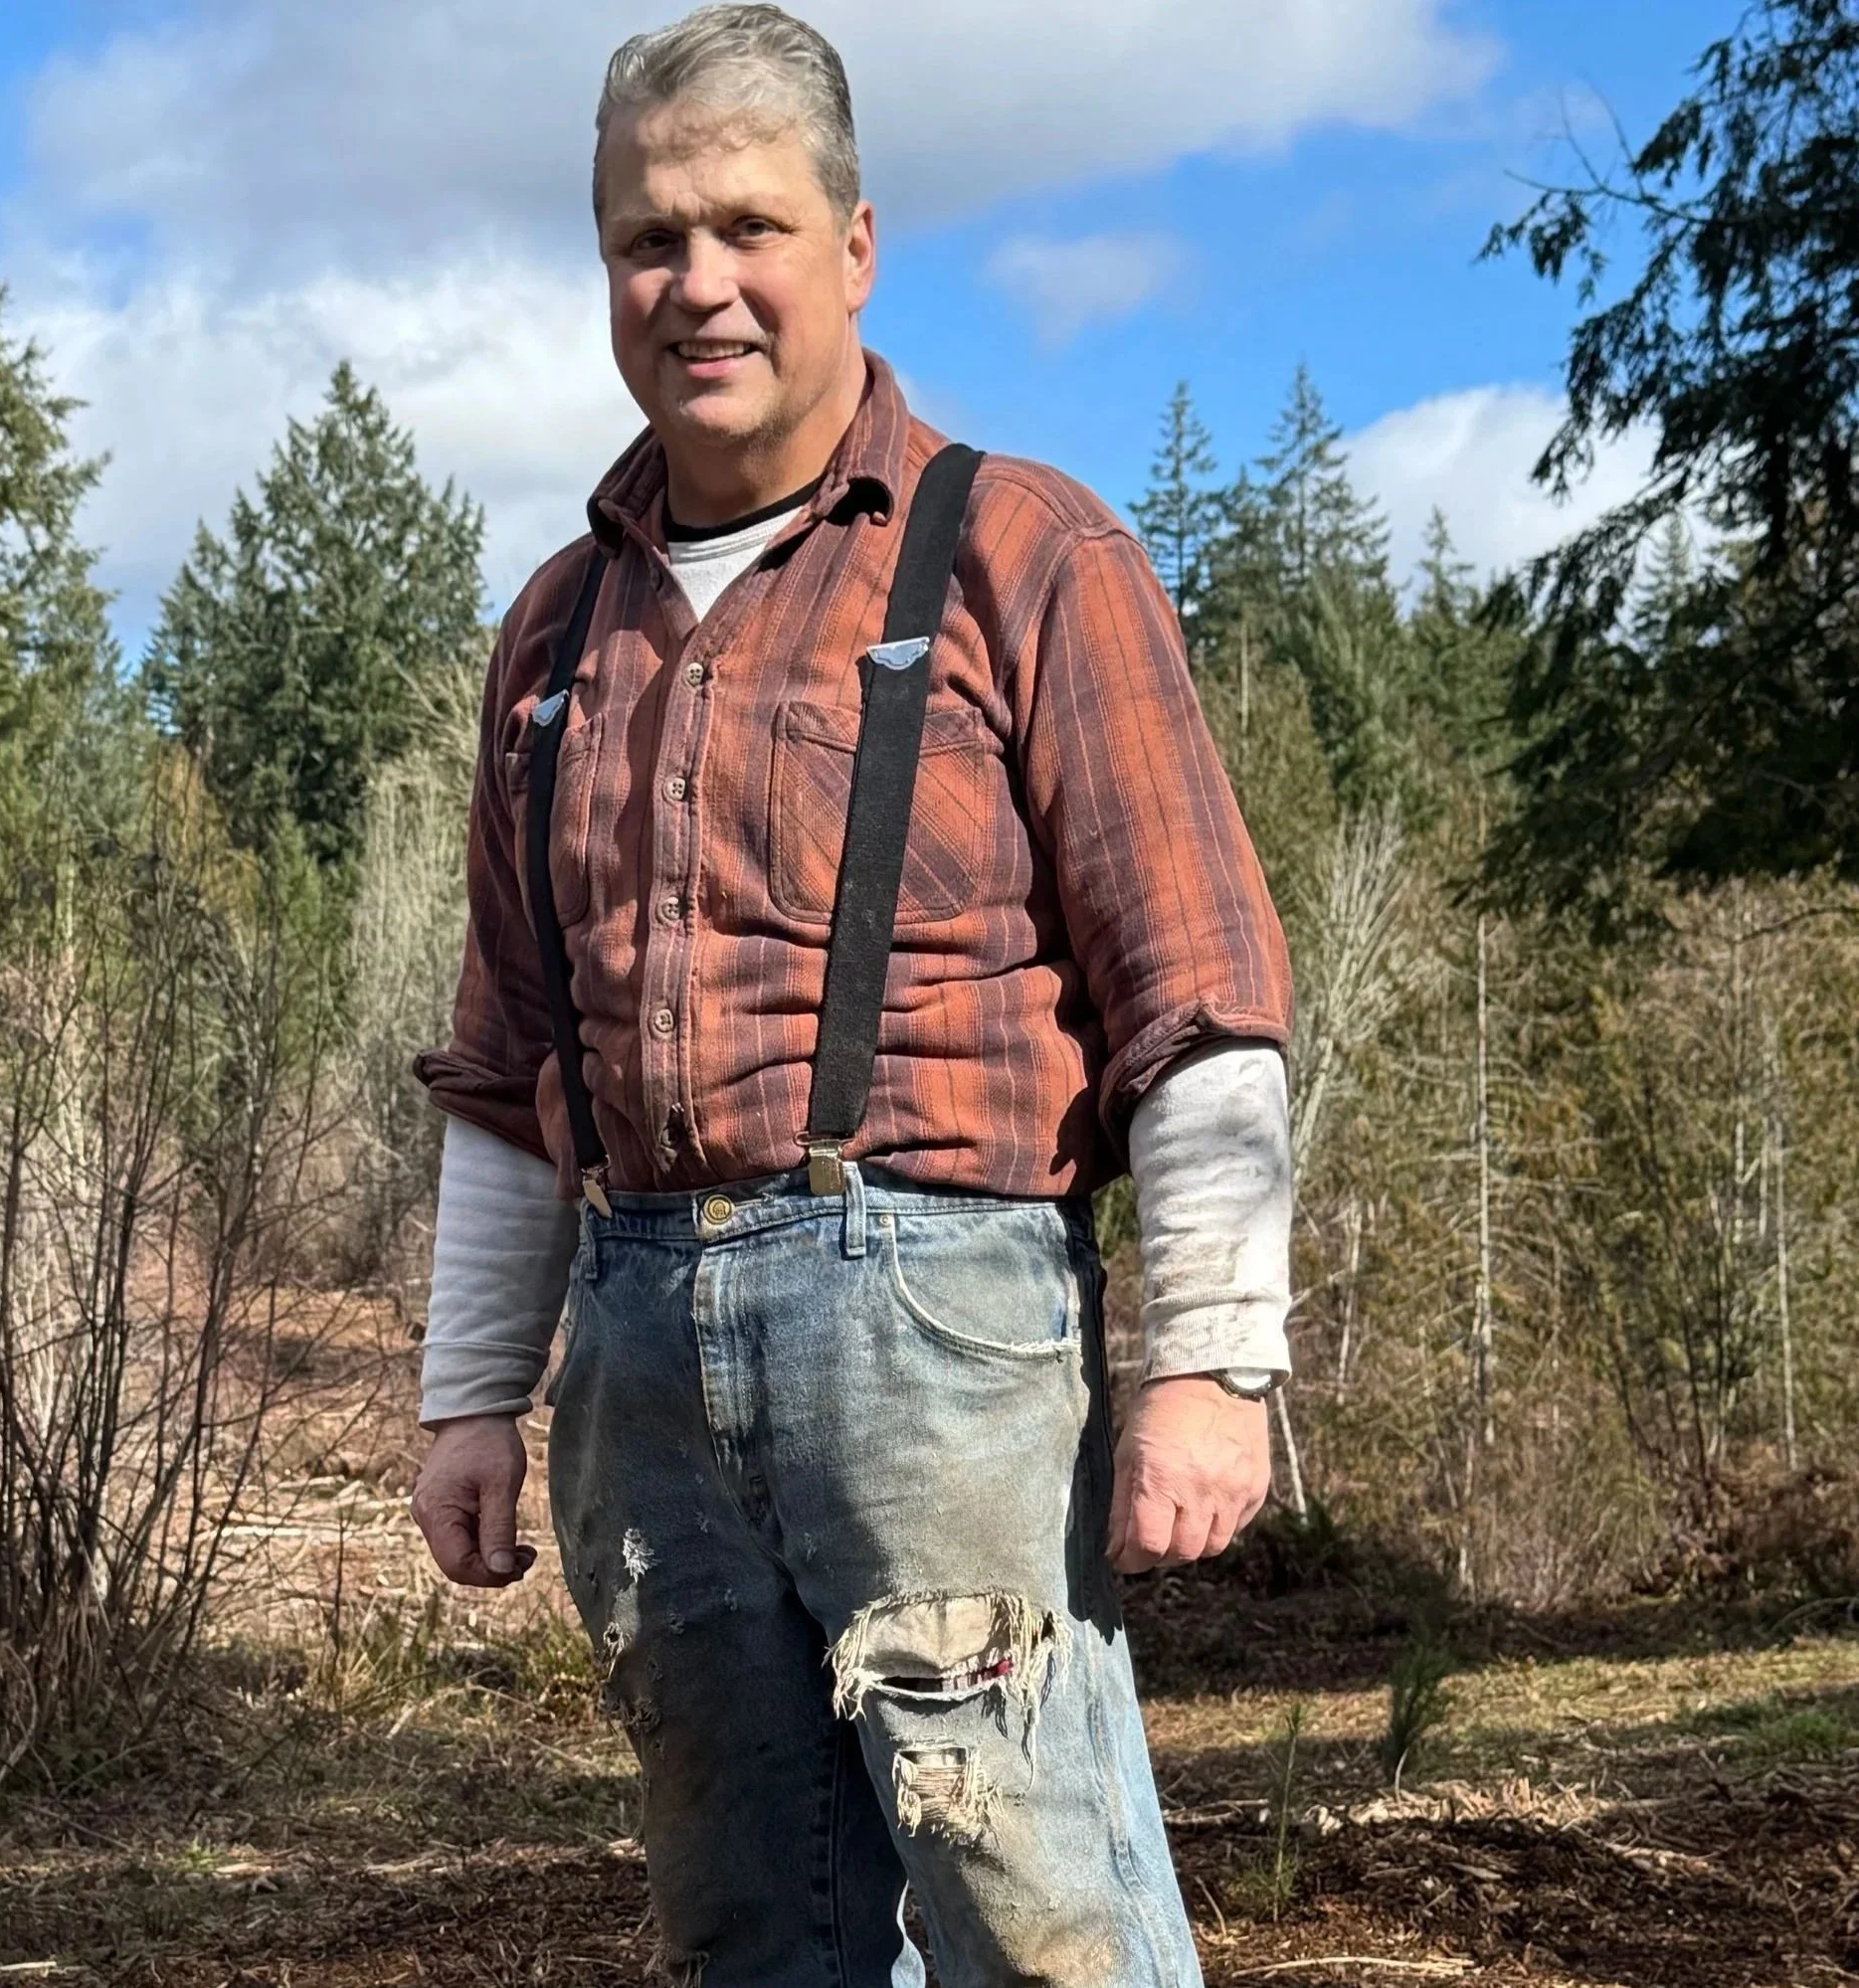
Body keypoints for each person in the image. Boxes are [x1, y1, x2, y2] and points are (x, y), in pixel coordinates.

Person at [408, 7, 1294, 1982]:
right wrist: (472, 1394)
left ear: (857, 243)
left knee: (1033, 1915)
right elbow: (504, 1066)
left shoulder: (1018, 551)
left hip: (942, 1327)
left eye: (747, 224)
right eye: (649, 237)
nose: (697, 284)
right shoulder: (553, 633)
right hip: (635, 1348)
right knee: (753, 1931)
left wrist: (1216, 1363)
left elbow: (1201, 999)